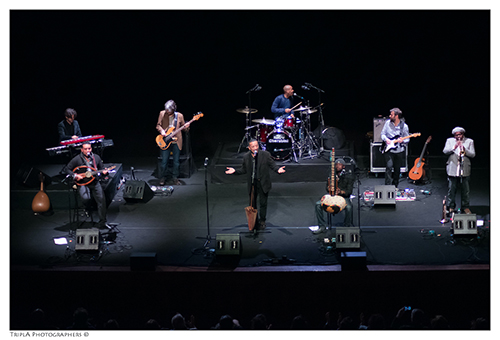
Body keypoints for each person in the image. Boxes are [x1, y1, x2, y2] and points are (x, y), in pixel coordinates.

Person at [225, 139, 285, 230]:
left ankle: (262, 221)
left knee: (263, 203)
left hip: (263, 183)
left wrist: (278, 170)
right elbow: (244, 170)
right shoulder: (246, 157)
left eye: (256, 146)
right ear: (249, 148)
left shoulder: (265, 155)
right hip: (253, 183)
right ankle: (254, 221)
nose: (255, 148)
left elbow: (273, 165)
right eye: (253, 146)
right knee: (252, 204)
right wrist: (235, 171)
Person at [65, 143, 109, 228]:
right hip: (83, 183)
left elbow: (102, 168)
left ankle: (102, 222)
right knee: (85, 198)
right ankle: (86, 208)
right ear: (82, 150)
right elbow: (67, 169)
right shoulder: (77, 159)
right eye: (85, 149)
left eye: (89, 148)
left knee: (101, 201)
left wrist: (104, 172)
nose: (88, 150)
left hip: (94, 181)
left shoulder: (96, 157)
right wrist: (75, 175)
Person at [313, 158, 354, 234]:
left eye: (340, 165)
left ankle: (347, 226)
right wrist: (328, 188)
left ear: (343, 166)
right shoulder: (331, 176)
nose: (338, 166)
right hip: (332, 196)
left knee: (349, 207)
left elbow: (349, 191)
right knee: (318, 204)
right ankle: (322, 226)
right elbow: (326, 187)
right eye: (336, 165)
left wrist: (341, 191)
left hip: (343, 197)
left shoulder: (348, 176)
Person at [156, 100, 190, 186]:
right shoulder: (162, 114)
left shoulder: (179, 116)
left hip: (176, 141)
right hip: (165, 140)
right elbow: (158, 125)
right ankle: (163, 177)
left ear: (173, 109)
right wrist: (162, 131)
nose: (167, 112)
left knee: (176, 161)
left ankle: (175, 178)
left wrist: (186, 127)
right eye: (166, 110)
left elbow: (184, 129)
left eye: (169, 110)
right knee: (164, 161)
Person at [443, 127, 475, 214]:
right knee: (451, 189)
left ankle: (465, 207)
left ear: (462, 134)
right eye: (456, 135)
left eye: (459, 134)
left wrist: (465, 149)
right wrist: (454, 147)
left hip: (464, 168)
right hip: (453, 168)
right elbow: (445, 151)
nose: (458, 137)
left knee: (465, 190)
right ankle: (451, 206)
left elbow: (473, 154)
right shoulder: (449, 141)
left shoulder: (469, 141)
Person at [380, 107, 409, 187]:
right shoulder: (387, 123)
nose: (389, 116)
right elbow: (382, 134)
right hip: (389, 150)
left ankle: (395, 186)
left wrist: (402, 141)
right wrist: (386, 139)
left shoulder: (404, 126)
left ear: (396, 116)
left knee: (397, 170)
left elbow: (407, 139)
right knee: (389, 167)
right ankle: (388, 186)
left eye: (391, 115)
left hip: (399, 151)